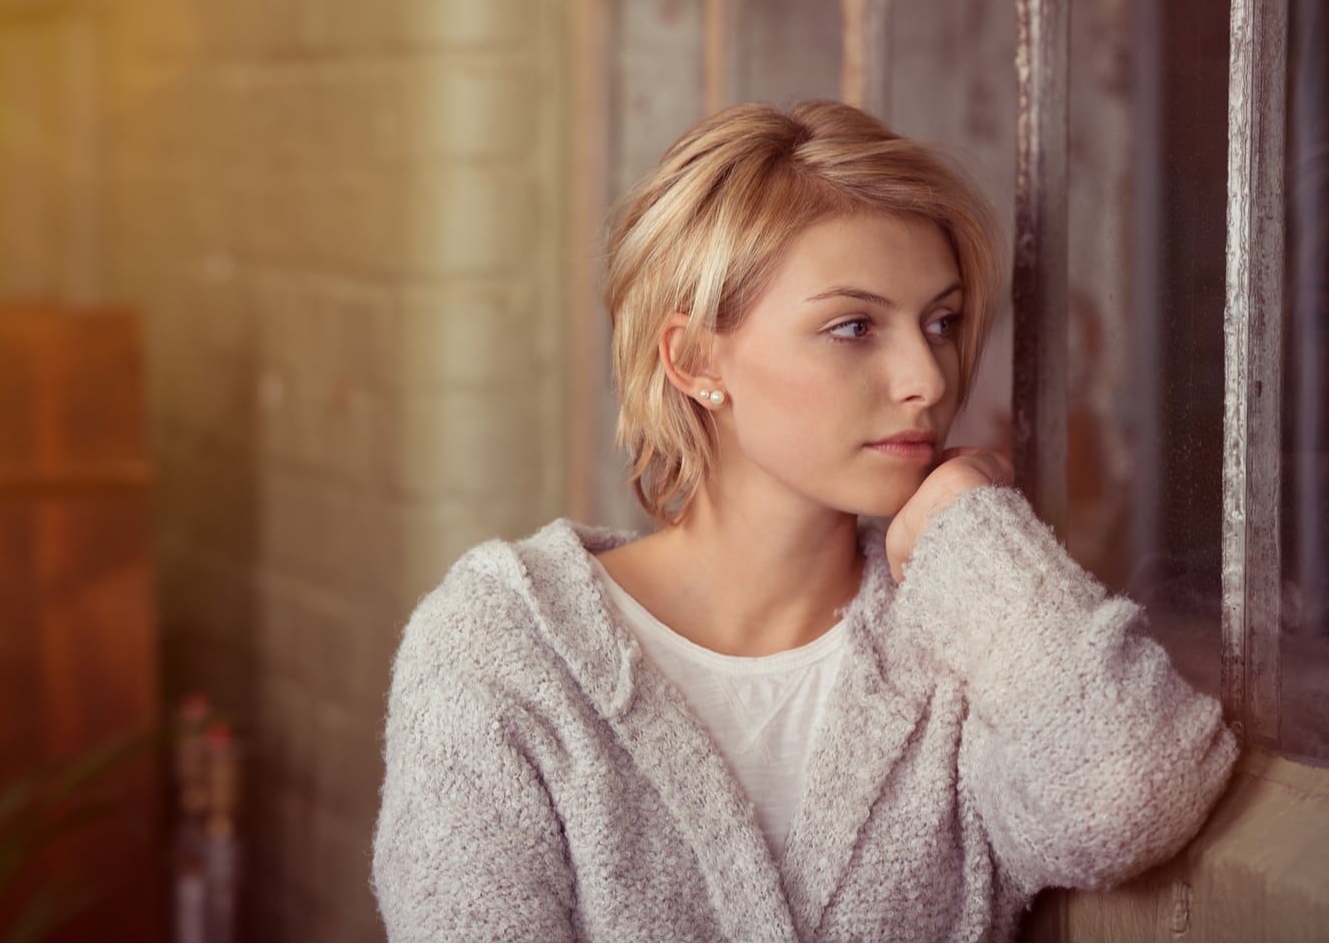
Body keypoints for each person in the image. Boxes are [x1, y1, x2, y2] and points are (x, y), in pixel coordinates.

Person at [371, 100, 1237, 941]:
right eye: (854, 326)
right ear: (697, 360)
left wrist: (964, 526)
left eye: (942, 323)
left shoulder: (959, 642)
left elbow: (1130, 791)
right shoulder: (507, 650)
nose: (929, 380)